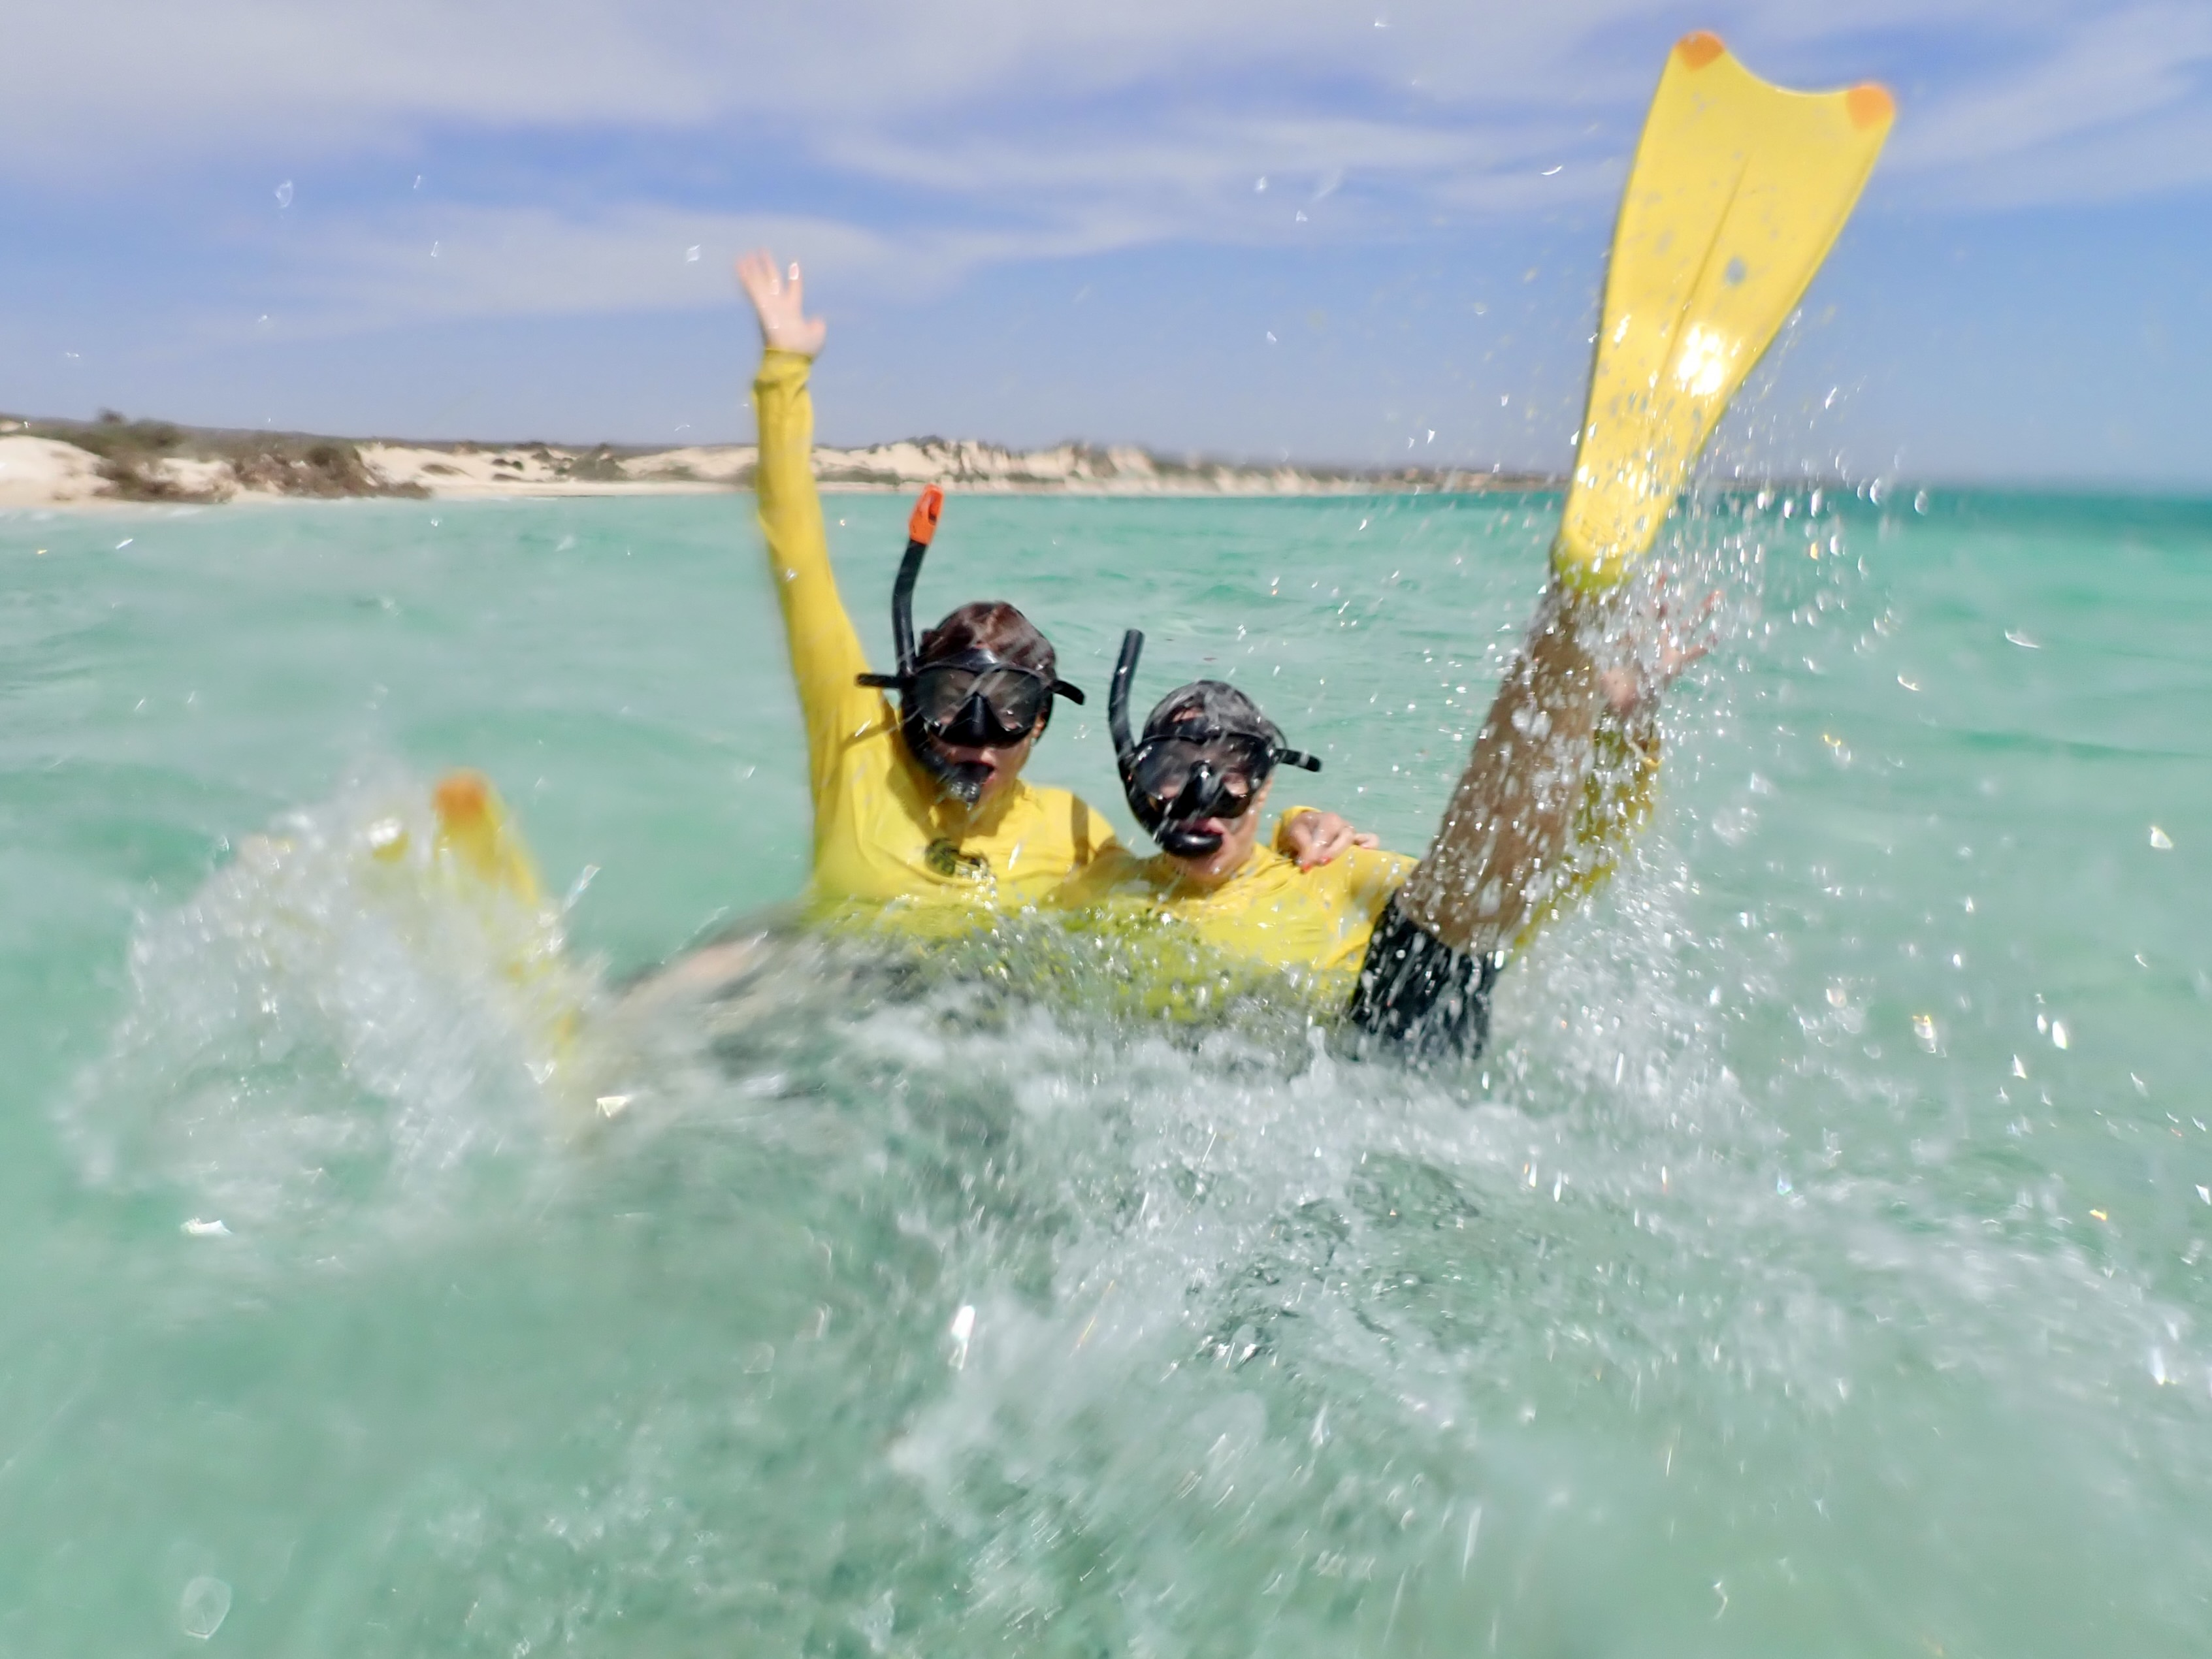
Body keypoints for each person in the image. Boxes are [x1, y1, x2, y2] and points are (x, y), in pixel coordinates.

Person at [1058, 605, 1700, 1054]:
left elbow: (1535, 881)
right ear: (1139, 783)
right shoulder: (1100, 884)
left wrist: (1624, 740)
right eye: (1173, 770)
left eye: (1233, 772)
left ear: (1267, 783)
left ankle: (1567, 663)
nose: (1203, 797)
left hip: (1368, 1067)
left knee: (1459, 904)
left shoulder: (1331, 873)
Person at [736, 250, 1114, 924]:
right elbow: (798, 557)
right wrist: (784, 369)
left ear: (1040, 718)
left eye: (1009, 708)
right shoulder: (858, 749)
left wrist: (1303, 834)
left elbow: (1197, 888)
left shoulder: (1075, 833)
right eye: (949, 699)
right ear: (913, 697)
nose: (977, 735)